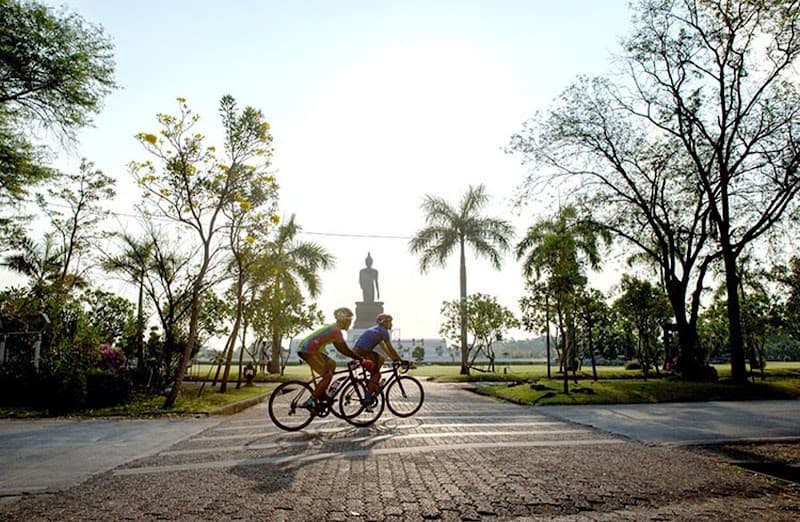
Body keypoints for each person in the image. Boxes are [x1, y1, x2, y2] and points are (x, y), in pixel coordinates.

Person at [297, 307, 360, 406]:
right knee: (327, 376)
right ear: (343, 320)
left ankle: (322, 393)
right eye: (349, 320)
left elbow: (342, 349)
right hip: (308, 350)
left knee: (332, 364)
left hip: (313, 350)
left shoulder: (334, 329)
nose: (350, 323)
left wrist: (356, 357)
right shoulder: (336, 331)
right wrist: (360, 358)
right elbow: (343, 349)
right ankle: (310, 401)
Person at [353, 313, 406, 403]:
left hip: (358, 351)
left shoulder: (376, 330)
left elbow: (384, 348)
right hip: (363, 352)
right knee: (377, 375)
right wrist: (401, 360)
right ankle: (368, 398)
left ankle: (373, 383)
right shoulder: (383, 332)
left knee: (381, 359)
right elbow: (390, 348)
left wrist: (394, 359)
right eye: (389, 322)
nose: (391, 324)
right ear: (384, 322)